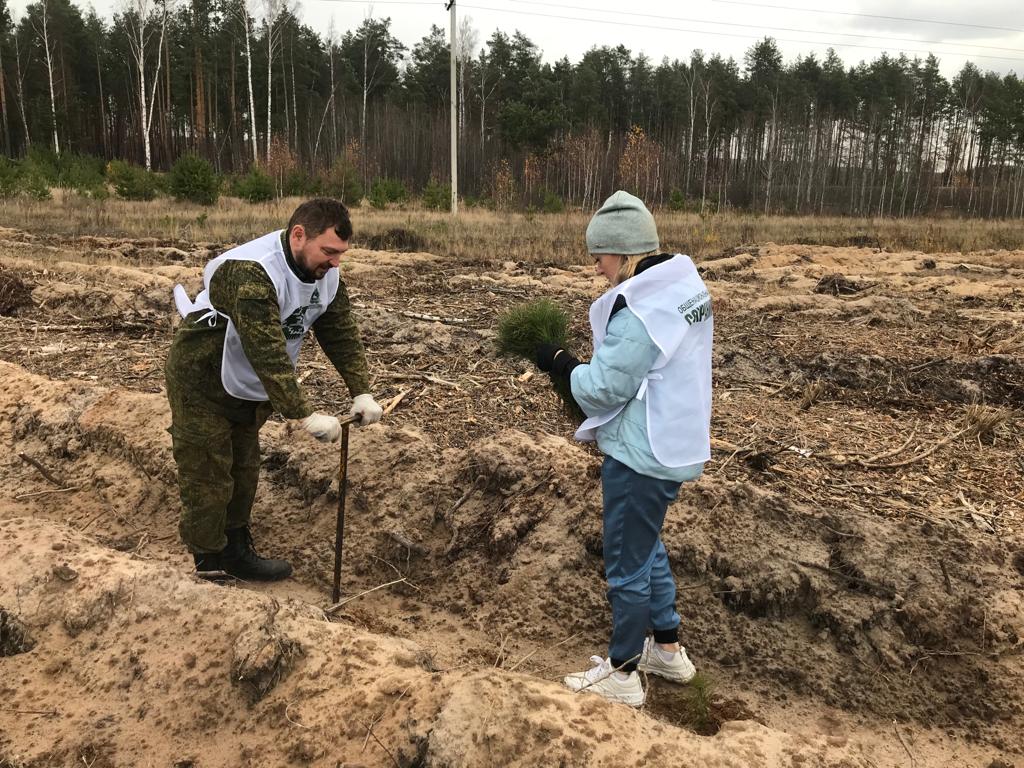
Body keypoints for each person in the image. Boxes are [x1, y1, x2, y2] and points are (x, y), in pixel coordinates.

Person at [535, 190, 713, 707]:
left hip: (642, 453)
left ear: (625, 251)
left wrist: (562, 363)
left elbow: (601, 388)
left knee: (626, 564)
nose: (596, 268)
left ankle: (623, 672)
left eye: (600, 256)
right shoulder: (684, 284)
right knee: (647, 544)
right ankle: (668, 649)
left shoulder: (643, 309)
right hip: (674, 441)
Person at [165, 198, 383, 582]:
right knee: (208, 471)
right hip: (202, 376)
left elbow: (340, 332)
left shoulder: (326, 274)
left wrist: (361, 390)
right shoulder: (252, 273)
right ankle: (209, 563)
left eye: (341, 254)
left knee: (244, 469)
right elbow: (266, 350)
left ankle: (236, 550)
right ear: (299, 235)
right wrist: (302, 412)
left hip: (247, 385)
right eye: (329, 252)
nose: (335, 263)